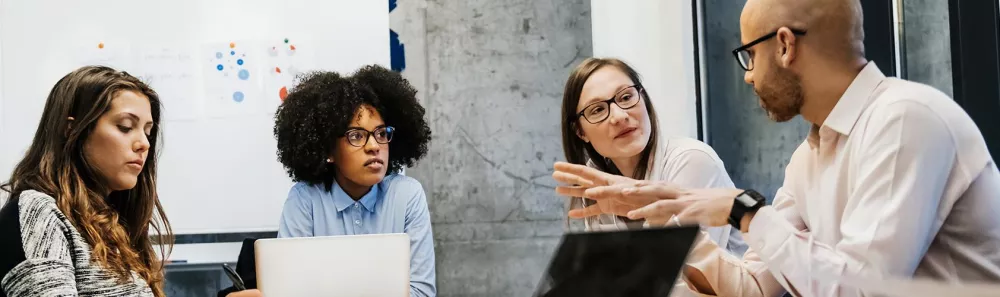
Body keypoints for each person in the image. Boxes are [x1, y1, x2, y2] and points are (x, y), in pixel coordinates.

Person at [553, 0, 1000, 296]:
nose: (748, 76)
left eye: (750, 55)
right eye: (596, 111)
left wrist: (742, 210)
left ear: (784, 45)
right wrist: (672, 217)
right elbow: (755, 288)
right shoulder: (808, 158)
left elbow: (863, 291)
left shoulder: (904, 118)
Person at [219, 65, 435, 297]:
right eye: (356, 136)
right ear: (328, 151)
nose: (374, 146)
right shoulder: (305, 199)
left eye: (381, 133)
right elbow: (290, 291)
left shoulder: (406, 195)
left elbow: (421, 292)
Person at [0, 66, 173, 297]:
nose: (144, 143)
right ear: (72, 130)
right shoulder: (40, 212)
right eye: (125, 127)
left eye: (148, 132)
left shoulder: (111, 226)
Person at [558, 57, 746, 256]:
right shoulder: (595, 179)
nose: (619, 116)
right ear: (580, 132)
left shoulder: (691, 160)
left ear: (644, 99)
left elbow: (685, 277)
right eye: (597, 110)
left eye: (625, 97)